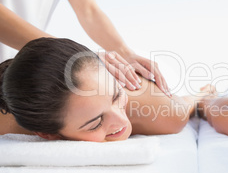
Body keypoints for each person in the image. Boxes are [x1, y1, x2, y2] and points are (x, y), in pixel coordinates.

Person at [0, 0, 170, 96]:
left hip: (15, 69)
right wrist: (77, 56)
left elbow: (88, 11)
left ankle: (194, 100)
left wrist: (124, 53)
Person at [0, 38, 197, 142]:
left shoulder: (162, 114)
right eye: (95, 124)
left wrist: (201, 96)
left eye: (116, 97)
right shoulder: (16, 121)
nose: (122, 121)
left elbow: (185, 105)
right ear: (46, 134)